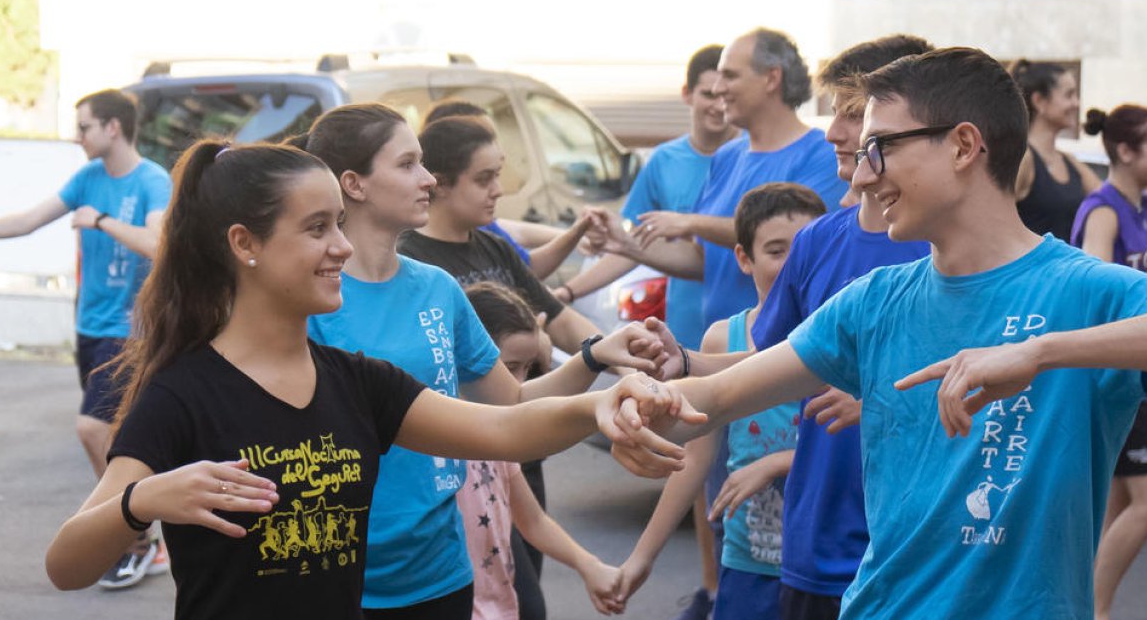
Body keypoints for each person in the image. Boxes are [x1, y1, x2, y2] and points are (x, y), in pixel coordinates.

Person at [607, 47, 1147, 619]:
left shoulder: (1082, 291)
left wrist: (1039, 352)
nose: (861, 177)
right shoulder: (875, 299)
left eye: (878, 149)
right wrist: (633, 404)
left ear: (963, 146)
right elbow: (721, 393)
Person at [43, 140, 697, 620]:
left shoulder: (356, 381)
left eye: (339, 223)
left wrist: (599, 401)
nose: (343, 247)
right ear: (245, 243)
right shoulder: (184, 392)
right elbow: (66, 564)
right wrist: (141, 503)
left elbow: (504, 426)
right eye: (316, 228)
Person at [301, 103, 672, 618]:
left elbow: (512, 405)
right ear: (354, 184)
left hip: (444, 573)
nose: (428, 179)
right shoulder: (311, 299)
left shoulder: (437, 287)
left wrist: (592, 358)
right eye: (408, 164)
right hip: (345, 578)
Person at [749, 34, 934, 620]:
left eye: (854, 115)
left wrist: (881, 397)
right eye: (833, 112)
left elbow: (1009, 390)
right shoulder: (818, 241)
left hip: (917, 550)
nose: (832, 132)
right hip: (818, 545)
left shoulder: (954, 249)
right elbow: (772, 366)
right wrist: (677, 368)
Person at [554, 44, 734, 619]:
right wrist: (566, 292)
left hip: (748, 340)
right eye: (707, 91)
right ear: (688, 95)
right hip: (683, 340)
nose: (717, 103)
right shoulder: (665, 163)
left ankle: (749, 587)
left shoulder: (744, 158)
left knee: (754, 468)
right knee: (700, 468)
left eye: (726, 92)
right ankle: (710, 589)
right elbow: (630, 250)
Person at [0, 88, 172, 588]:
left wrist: (104, 221)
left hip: (131, 331)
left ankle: (137, 536)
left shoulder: (152, 181)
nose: (77, 136)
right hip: (89, 327)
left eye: (84, 127)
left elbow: (159, 244)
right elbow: (28, 220)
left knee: (93, 431)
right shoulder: (88, 177)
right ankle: (139, 527)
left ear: (113, 128)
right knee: (114, 439)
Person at [618, 182, 825, 619]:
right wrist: (642, 556)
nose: (792, 263)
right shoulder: (722, 337)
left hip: (828, 563)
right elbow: (695, 457)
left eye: (805, 247)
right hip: (749, 562)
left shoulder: (843, 334)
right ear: (743, 259)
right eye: (775, 250)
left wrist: (776, 462)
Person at [600, 28, 846, 329]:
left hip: (779, 352)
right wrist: (623, 241)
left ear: (771, 78)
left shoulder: (821, 155)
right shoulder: (727, 156)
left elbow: (796, 241)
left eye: (729, 76)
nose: (718, 88)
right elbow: (704, 260)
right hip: (720, 345)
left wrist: (692, 221)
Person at [1069, 104, 1147, 620]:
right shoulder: (1103, 209)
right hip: (1116, 373)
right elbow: (1093, 287)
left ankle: (1085, 603)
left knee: (1112, 507)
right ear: (1124, 151)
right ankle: (1091, 609)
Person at [461, 281, 625, 618]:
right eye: (509, 368)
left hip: (502, 604)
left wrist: (589, 565)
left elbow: (532, 519)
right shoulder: (439, 436)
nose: (518, 383)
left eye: (527, 368)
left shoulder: (496, 435)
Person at [399, 115, 605, 354]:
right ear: (440, 183)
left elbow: (559, 320)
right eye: (484, 179)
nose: (498, 190)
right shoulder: (410, 261)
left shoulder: (497, 248)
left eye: (497, 175)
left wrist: (617, 355)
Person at [424, 99, 607, 281]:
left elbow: (525, 267)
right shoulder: (415, 257)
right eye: (483, 179)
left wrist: (576, 234)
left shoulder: (489, 240)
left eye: (493, 138)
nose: (498, 191)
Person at [1009, 60, 1102, 242]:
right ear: (1039, 101)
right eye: (1069, 95)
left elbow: (1110, 198)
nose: (1076, 103)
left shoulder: (1068, 160)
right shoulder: (1024, 159)